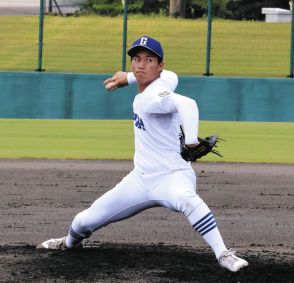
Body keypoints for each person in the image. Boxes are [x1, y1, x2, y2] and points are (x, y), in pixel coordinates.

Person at [37, 35, 248, 272]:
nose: (141, 64)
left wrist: (190, 142)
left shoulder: (153, 99)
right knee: (85, 220)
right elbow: (166, 76)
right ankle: (68, 243)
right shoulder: (167, 80)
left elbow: (187, 104)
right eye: (136, 59)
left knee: (188, 200)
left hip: (172, 176)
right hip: (140, 179)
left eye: (149, 60)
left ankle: (223, 254)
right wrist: (125, 79)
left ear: (160, 65)